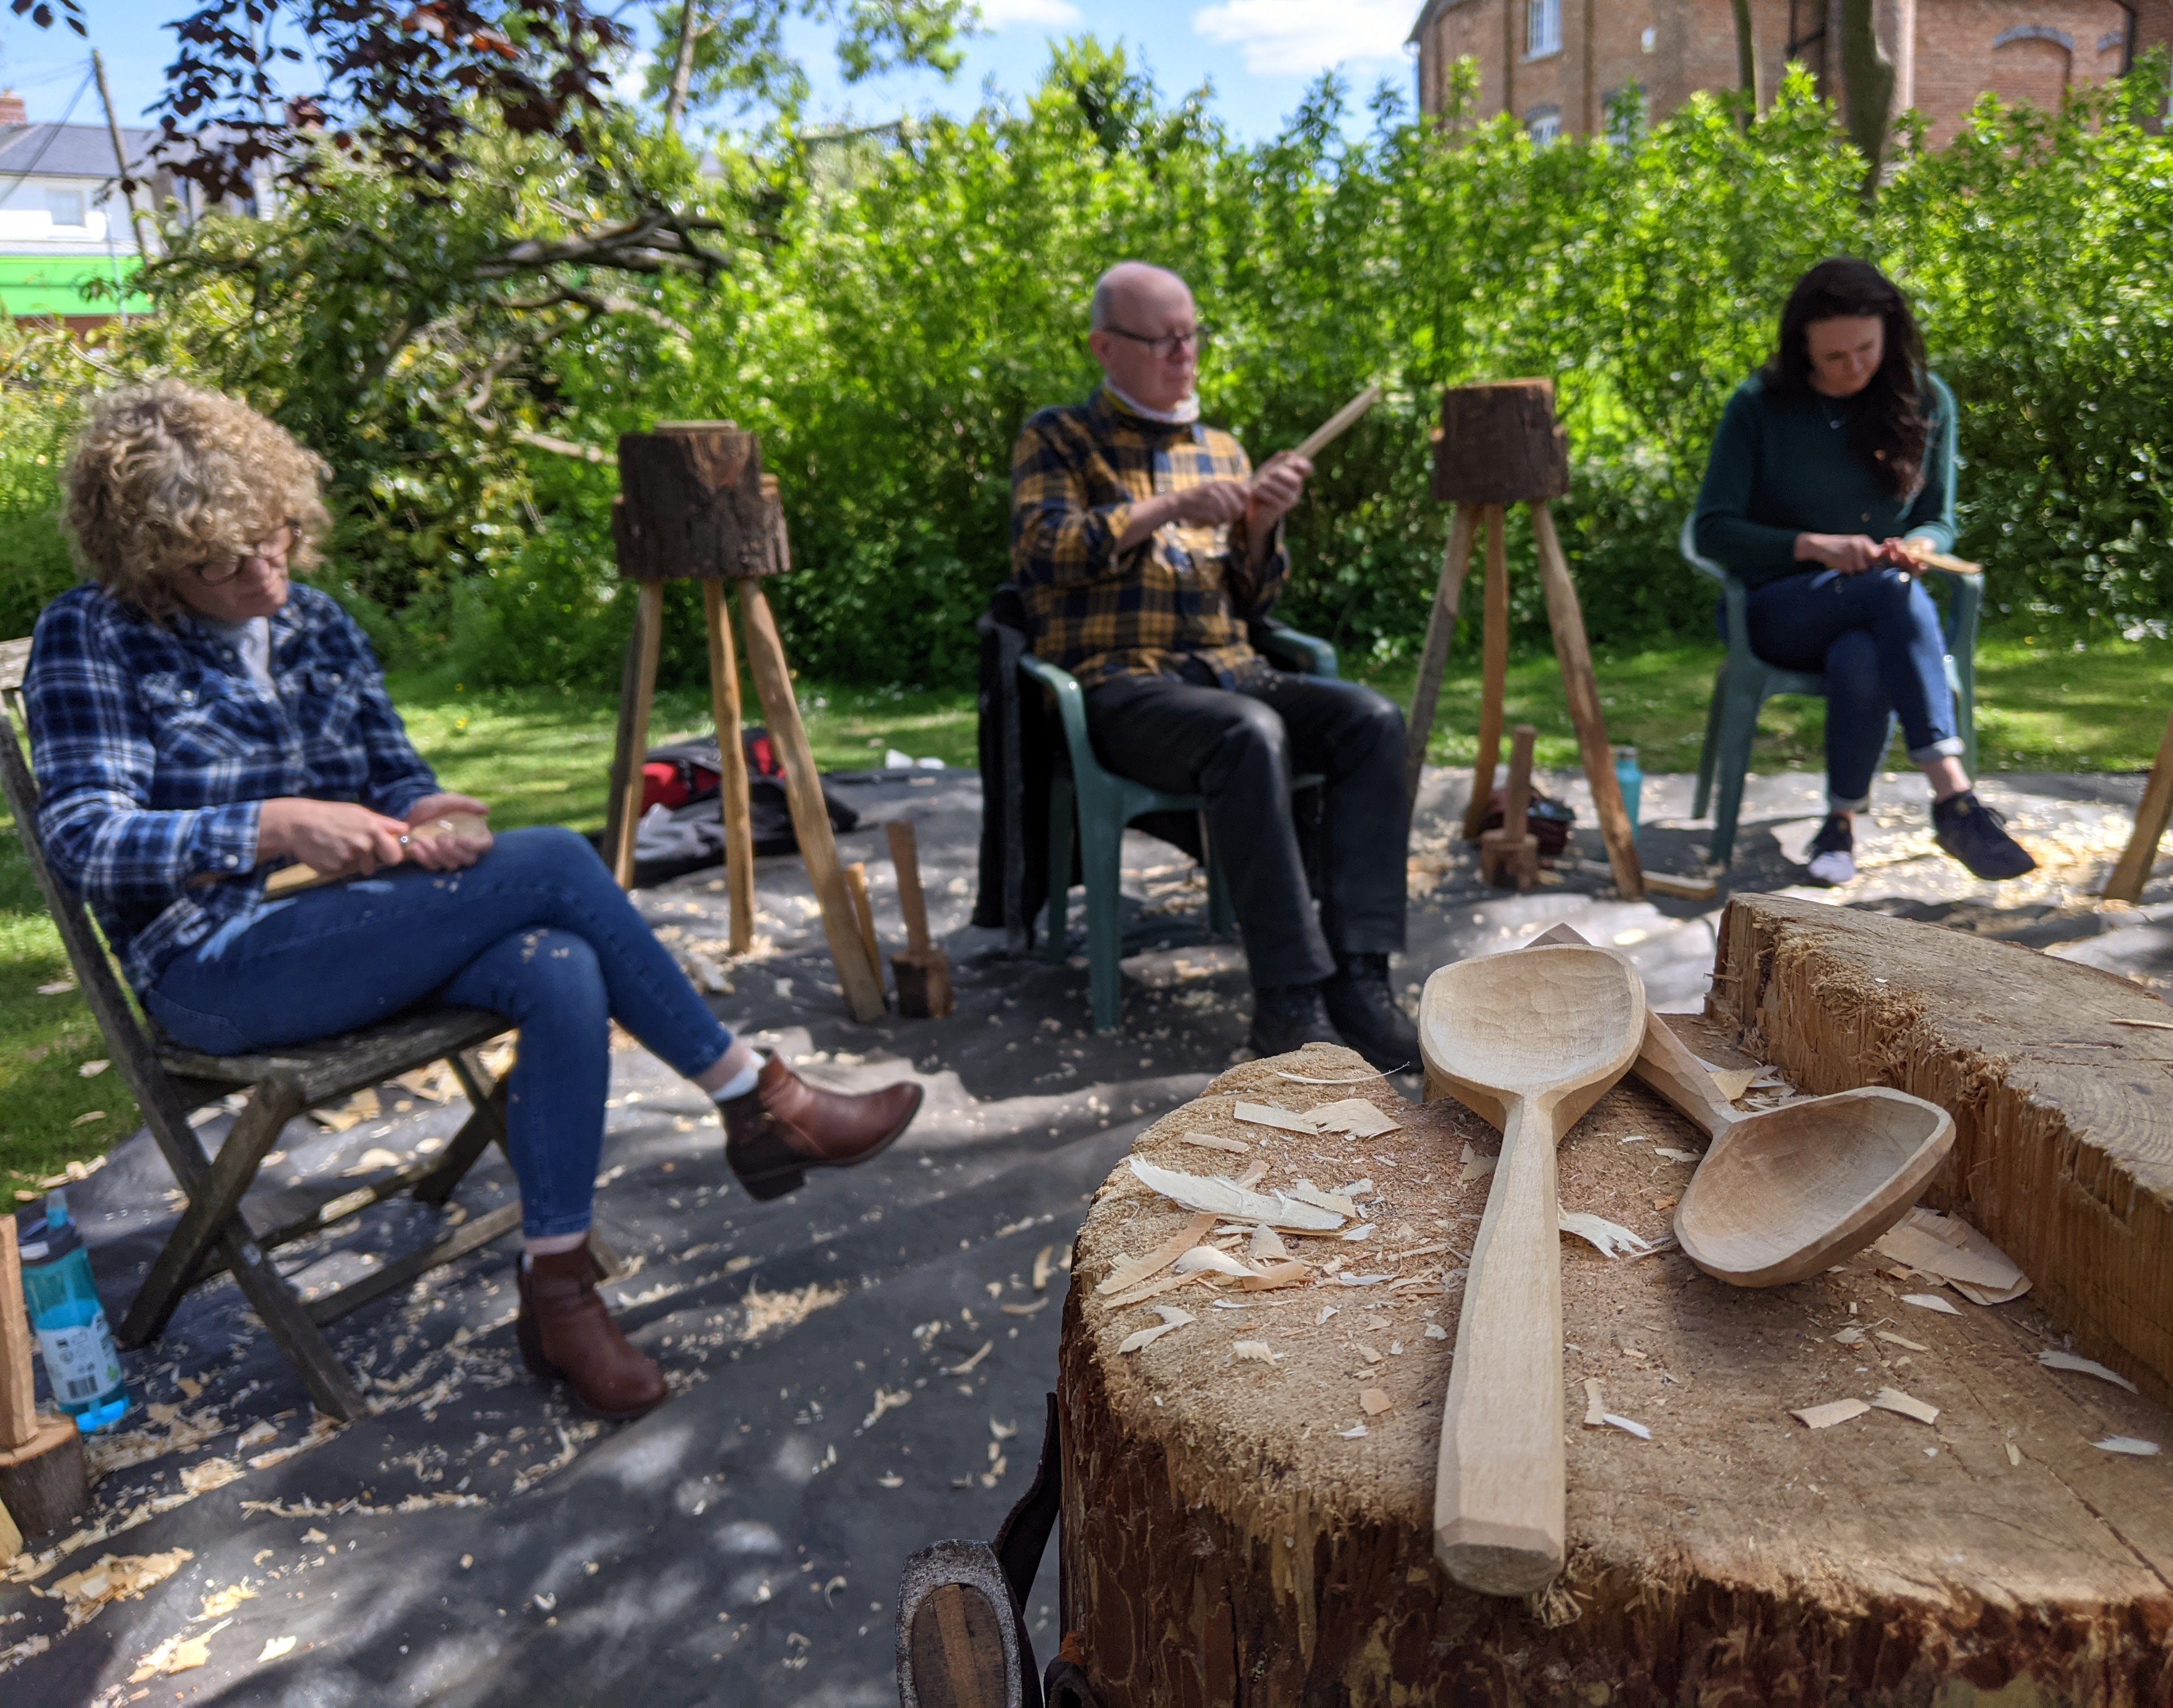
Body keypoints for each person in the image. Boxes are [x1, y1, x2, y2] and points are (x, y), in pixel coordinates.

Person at [25, 379, 923, 1423]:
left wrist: (433, 810)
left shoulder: (312, 622)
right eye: (218, 562)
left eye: (271, 536)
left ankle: (559, 1289)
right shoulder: (92, 634)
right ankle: (754, 1098)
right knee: (551, 861)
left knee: (559, 960)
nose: (261, 570)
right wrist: (277, 824)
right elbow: (86, 838)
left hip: (354, 924)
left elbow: (396, 774)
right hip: (213, 966)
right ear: (148, 558)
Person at [1010, 262, 1416, 1068]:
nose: (1184, 353)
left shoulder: (1220, 448)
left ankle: (1362, 980)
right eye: (1162, 339)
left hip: (1231, 673)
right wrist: (1163, 508)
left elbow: (1254, 602)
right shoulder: (1059, 436)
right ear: (1105, 347)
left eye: (1191, 334)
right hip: (1120, 687)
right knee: (1249, 734)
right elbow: (1043, 552)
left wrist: (1261, 526)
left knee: (1372, 721)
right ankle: (1288, 1002)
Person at [1693, 258, 2035, 884]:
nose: (1852, 367)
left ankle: (1839, 826)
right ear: (1801, 350)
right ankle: (1953, 798)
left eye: (1866, 350)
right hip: (1777, 608)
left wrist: (1918, 545)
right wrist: (1814, 546)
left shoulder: (1927, 402)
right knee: (1890, 597)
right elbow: (1712, 531)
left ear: (1891, 335)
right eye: (1833, 357)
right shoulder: (1758, 407)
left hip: (1879, 607)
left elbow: (1939, 521)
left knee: (1863, 653)